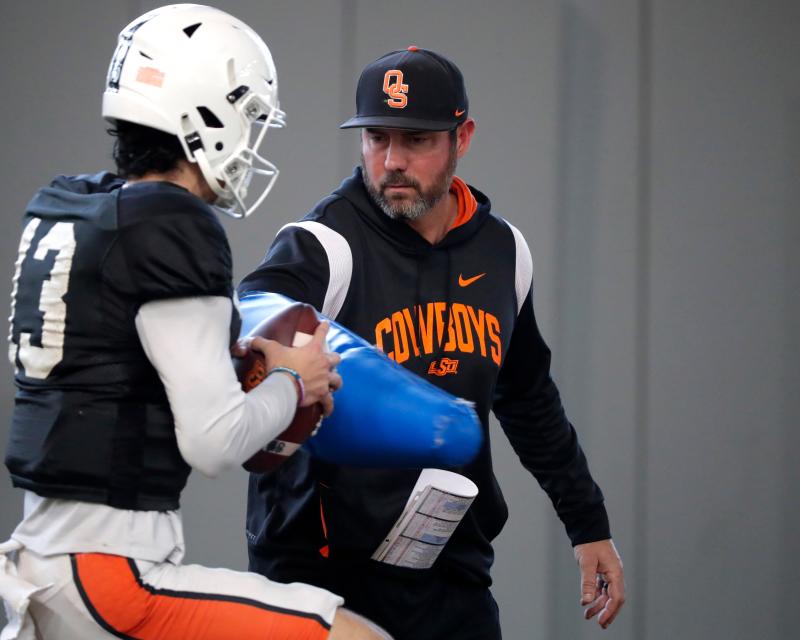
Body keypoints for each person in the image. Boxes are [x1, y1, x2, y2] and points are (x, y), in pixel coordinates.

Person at [0, 5, 389, 639]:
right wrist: (293, 383)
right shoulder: (172, 224)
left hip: (51, 561)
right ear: (206, 115)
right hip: (109, 577)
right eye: (247, 119)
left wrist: (240, 361)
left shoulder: (72, 209)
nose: (250, 142)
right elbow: (215, 441)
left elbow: (110, 364)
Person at [238, 47, 626, 639]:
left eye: (416, 139)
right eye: (376, 137)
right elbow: (253, 315)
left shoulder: (503, 252)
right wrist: (260, 351)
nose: (392, 160)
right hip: (319, 576)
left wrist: (587, 524)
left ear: (461, 137)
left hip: (449, 571)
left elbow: (526, 397)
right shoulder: (324, 245)